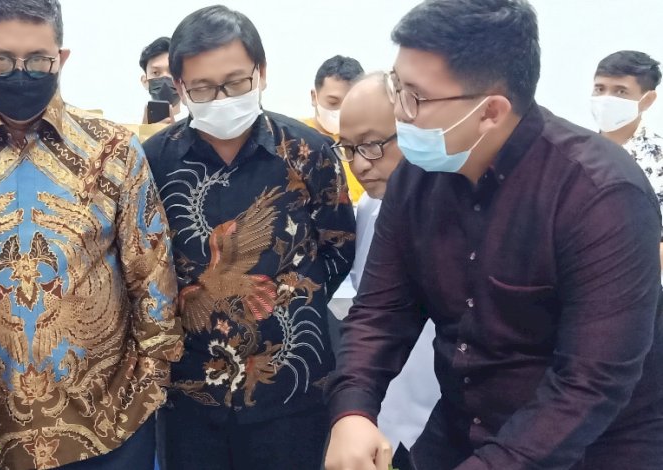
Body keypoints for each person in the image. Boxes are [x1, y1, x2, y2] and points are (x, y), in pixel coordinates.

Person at [326, 0, 663, 469]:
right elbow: (382, 311)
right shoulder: (416, 178)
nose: (399, 114)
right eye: (396, 87)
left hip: (588, 444)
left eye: (415, 98)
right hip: (466, 423)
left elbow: (588, 384)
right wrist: (354, 410)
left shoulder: (601, 196)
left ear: (490, 112)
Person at [0, 0, 183, 468]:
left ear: (61, 59)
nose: (21, 73)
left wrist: (149, 383)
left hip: (111, 424)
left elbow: (152, 276)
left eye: (37, 60)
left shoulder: (114, 150)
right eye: (3, 60)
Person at [143, 6, 355, 469]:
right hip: (189, 396)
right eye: (202, 87)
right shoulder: (152, 160)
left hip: (291, 391)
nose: (221, 98)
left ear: (261, 73)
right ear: (179, 87)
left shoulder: (309, 152)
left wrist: (286, 303)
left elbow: (339, 249)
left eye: (235, 82)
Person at [333, 71, 437, 451]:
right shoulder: (369, 207)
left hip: (447, 410)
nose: (359, 165)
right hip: (381, 408)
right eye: (348, 148)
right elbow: (372, 310)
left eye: (372, 145)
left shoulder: (457, 205)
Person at [592, 51, 663, 211]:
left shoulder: (658, 159)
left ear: (648, 100)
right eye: (599, 89)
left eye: (620, 91)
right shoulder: (575, 151)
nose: (605, 99)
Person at [303, 54, 366, 203]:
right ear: (314, 97)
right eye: (333, 102)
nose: (342, 111)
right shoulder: (294, 137)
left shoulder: (368, 144)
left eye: (350, 104)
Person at [139, 36, 186, 124]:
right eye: (156, 73)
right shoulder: (130, 128)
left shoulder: (195, 125)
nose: (165, 79)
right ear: (145, 81)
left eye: (172, 72)